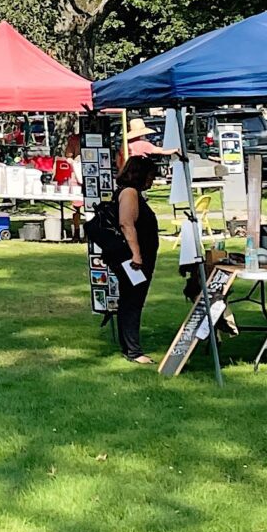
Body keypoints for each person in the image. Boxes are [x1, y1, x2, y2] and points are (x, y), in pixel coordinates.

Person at [101, 121, 169, 364]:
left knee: (131, 300)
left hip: (136, 257)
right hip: (133, 259)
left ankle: (130, 345)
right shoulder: (129, 193)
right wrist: (137, 255)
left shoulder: (131, 192)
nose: (151, 181)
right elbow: (127, 224)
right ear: (140, 175)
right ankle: (133, 350)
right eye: (150, 176)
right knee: (132, 301)